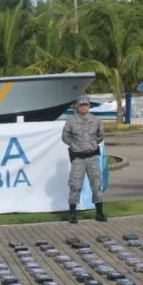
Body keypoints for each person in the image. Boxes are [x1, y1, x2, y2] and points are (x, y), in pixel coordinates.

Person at [61, 95, 107, 223]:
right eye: (81, 105)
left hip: (92, 157)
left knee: (97, 185)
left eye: (85, 105)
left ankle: (99, 213)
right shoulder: (71, 121)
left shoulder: (96, 121)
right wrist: (75, 146)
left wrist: (91, 145)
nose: (83, 107)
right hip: (78, 158)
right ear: (77, 107)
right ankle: (72, 214)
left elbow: (101, 136)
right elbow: (65, 137)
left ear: (89, 106)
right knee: (75, 185)